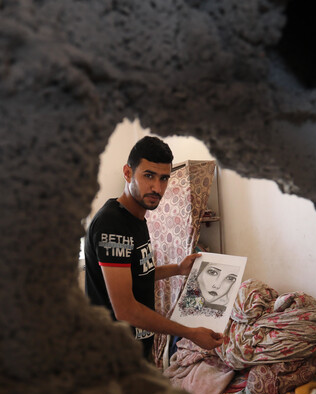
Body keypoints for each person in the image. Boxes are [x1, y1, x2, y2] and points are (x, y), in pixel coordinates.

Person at [84, 136, 224, 360]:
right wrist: (190, 333)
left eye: (163, 178)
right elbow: (125, 310)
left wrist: (178, 269)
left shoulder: (136, 219)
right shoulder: (112, 223)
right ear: (128, 173)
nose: (157, 188)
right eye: (148, 175)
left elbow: (138, 274)